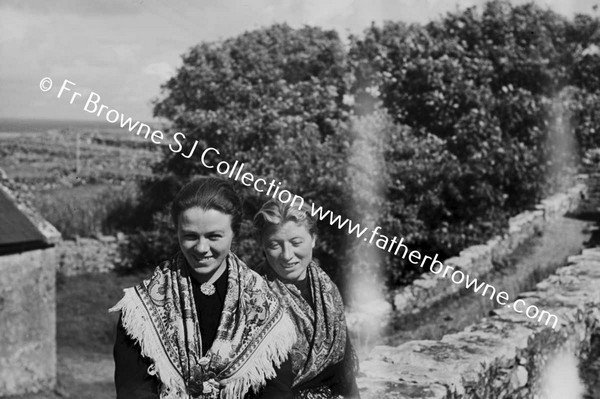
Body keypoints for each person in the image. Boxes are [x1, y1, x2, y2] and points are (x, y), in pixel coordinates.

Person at [110, 177, 297, 399]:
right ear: (177, 232)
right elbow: (134, 389)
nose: (201, 248)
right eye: (190, 236)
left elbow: (277, 392)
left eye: (214, 236)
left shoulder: (264, 304)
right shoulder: (141, 309)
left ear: (234, 234)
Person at [253, 199, 360, 399]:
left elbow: (344, 370)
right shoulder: (256, 298)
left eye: (296, 242)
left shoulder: (326, 288)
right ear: (263, 246)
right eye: (275, 245)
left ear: (312, 239)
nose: (287, 255)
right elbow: (270, 389)